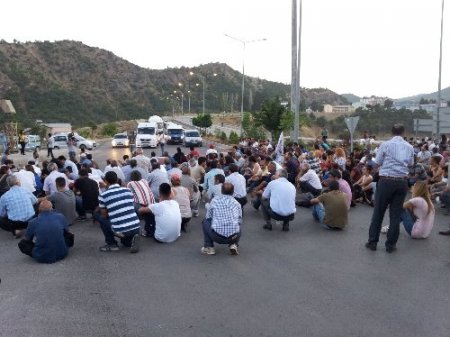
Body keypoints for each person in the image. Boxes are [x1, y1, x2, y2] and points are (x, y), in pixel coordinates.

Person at [365, 124, 414, 253]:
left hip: (386, 181)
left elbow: (377, 163)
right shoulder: (409, 147)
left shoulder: (385, 145)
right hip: (402, 182)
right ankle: (390, 245)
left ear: (392, 132)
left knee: (378, 213)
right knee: (395, 215)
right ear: (403, 132)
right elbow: (411, 164)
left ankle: (372, 242)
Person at [94, 171, 141, 253]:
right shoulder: (128, 190)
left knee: (99, 216)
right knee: (125, 243)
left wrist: (112, 211)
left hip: (121, 229)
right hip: (136, 226)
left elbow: (104, 215)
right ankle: (131, 239)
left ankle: (112, 244)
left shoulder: (103, 195)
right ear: (117, 179)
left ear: (106, 181)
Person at [201, 182, 242, 255]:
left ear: (221, 191)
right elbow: (240, 220)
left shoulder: (215, 201)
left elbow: (208, 217)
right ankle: (233, 244)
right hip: (234, 236)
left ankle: (209, 247)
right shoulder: (237, 203)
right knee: (238, 224)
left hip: (217, 236)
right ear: (233, 192)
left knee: (205, 222)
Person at [127, 170, 155, 237]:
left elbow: (129, 194)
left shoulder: (130, 183)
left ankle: (133, 226)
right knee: (149, 216)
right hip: (152, 203)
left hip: (141, 205)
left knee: (130, 205)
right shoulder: (144, 181)